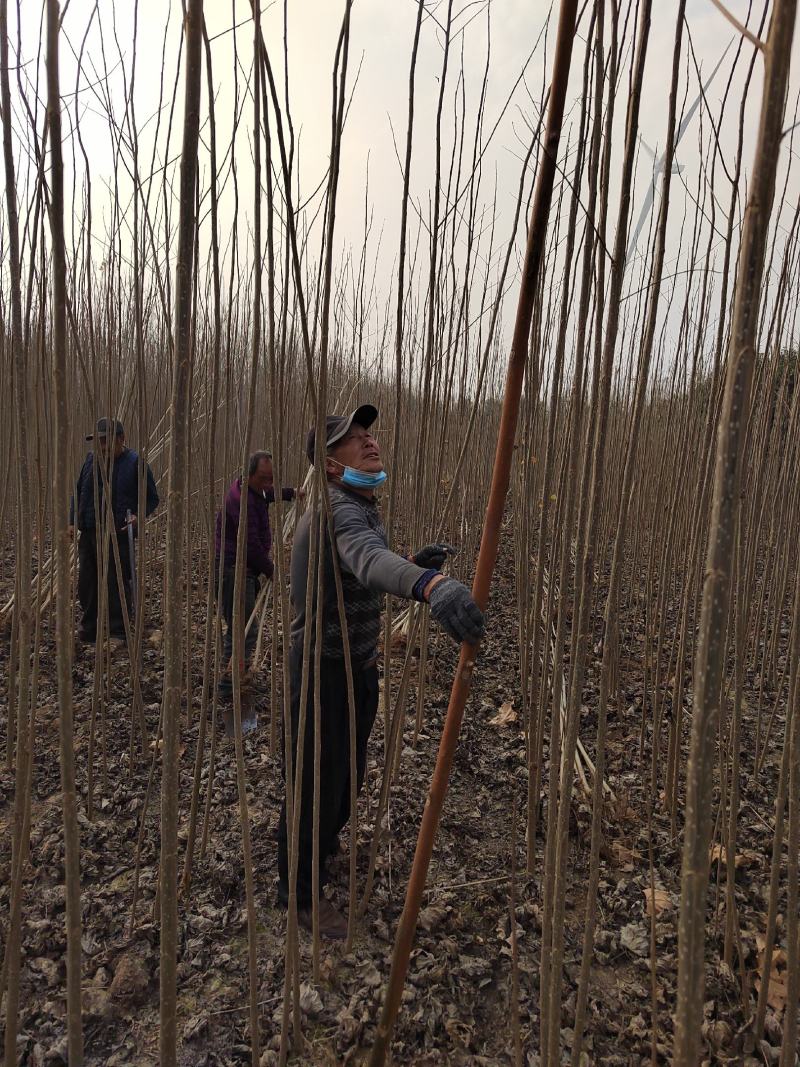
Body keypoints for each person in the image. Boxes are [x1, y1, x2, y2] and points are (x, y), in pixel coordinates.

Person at [277, 404, 485, 939]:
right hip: (323, 674)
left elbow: (361, 569)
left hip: (356, 669)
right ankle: (298, 895)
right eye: (353, 439)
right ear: (328, 464)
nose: (369, 443)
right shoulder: (338, 510)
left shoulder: (359, 505)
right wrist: (430, 586)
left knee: (345, 778)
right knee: (316, 785)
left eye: (369, 435)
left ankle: (321, 848)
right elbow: (367, 559)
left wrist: (417, 563)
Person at [214, 451, 305, 731]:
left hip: (246, 569)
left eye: (271, 479)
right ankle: (229, 686)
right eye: (264, 478)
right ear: (249, 474)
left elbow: (269, 495)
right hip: (235, 570)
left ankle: (235, 677)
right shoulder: (239, 501)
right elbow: (250, 546)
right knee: (244, 628)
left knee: (243, 627)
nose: (269, 483)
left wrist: (292, 493)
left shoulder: (255, 490)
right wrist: (272, 570)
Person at [69, 418, 159, 643]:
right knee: (87, 581)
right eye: (97, 441)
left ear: (121, 439)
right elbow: (78, 492)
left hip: (117, 532)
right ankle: (89, 628)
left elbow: (152, 498)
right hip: (89, 529)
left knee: (115, 580)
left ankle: (118, 630)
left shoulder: (135, 462)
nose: (101, 446)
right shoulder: (90, 461)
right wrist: (72, 521)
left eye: (105, 440)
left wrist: (138, 514)